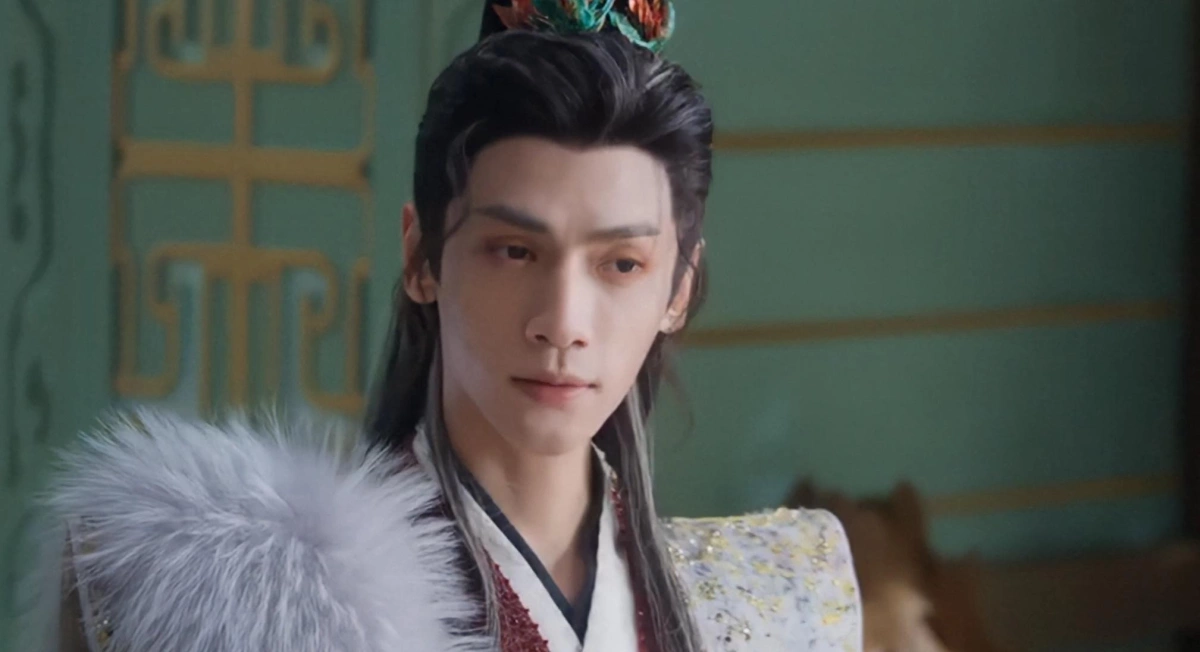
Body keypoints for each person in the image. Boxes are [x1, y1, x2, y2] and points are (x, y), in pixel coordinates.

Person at [28, 1, 862, 650]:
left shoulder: (774, 604)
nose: (562, 323)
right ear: (423, 255)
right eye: (514, 251)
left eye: (621, 265)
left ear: (680, 287)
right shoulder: (233, 603)